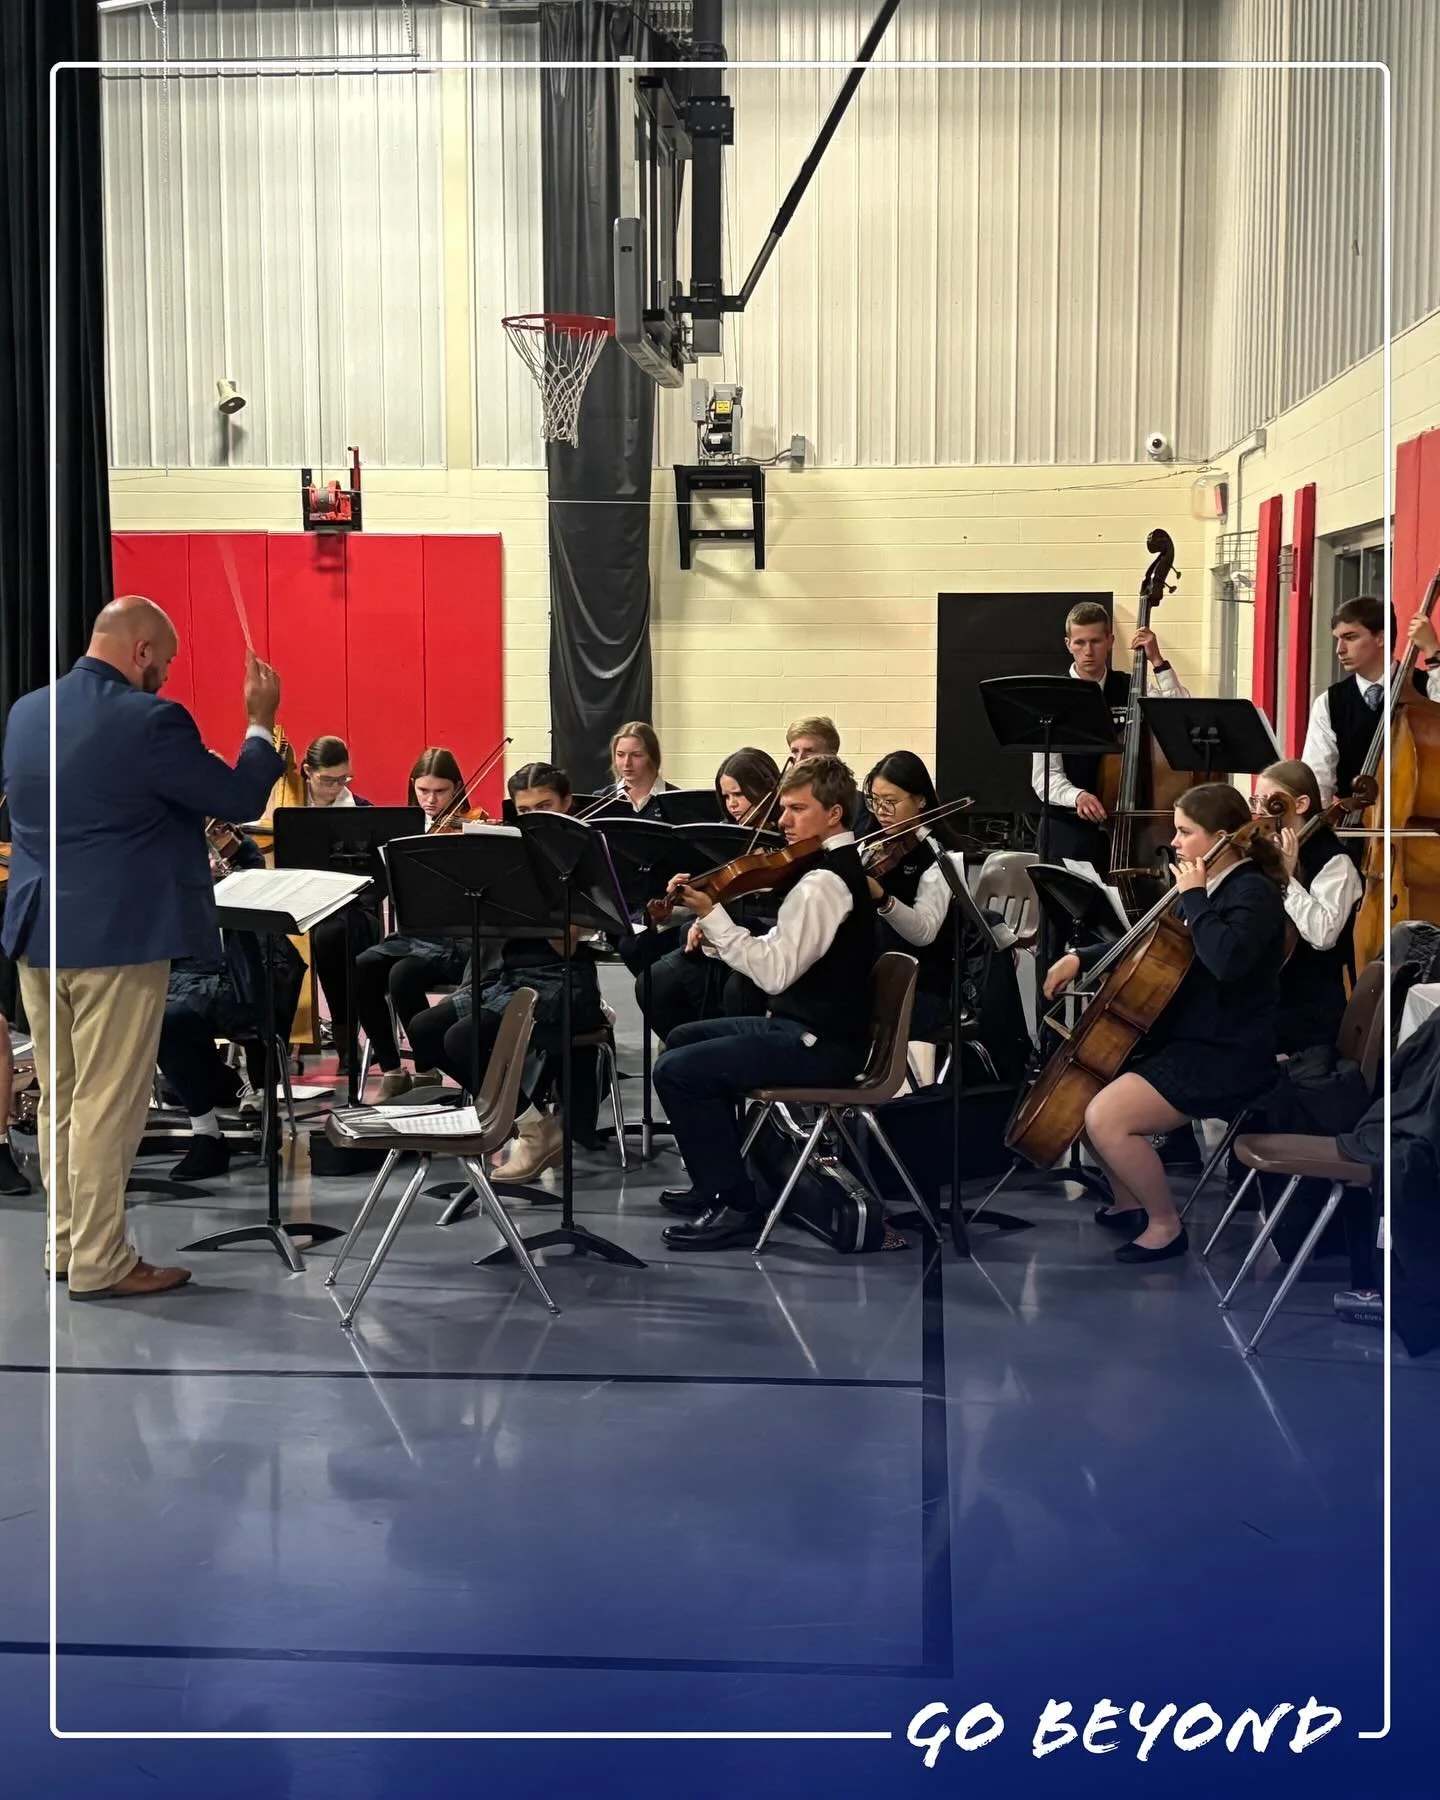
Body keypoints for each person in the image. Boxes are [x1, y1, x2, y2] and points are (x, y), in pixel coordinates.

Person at [0, 595, 284, 1298]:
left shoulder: (26, 712)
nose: (165, 676)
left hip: (40, 934)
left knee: (62, 1098)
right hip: (119, 935)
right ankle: (102, 1262)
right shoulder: (153, 720)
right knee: (108, 1103)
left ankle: (65, 1246)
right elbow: (240, 795)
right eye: (167, 661)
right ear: (142, 652)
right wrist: (260, 720)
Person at [1041, 783, 1288, 1265]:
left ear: (1222, 838)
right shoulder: (1203, 887)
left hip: (1229, 1051)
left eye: (1184, 832)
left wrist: (1194, 897)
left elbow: (1226, 961)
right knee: (1085, 1092)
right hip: (1188, 1039)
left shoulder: (1251, 892)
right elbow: (1149, 944)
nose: (1174, 843)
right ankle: (1130, 1200)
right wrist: (1082, 957)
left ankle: (1165, 1224)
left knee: (1107, 1117)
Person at [652, 755, 877, 1252]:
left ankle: (736, 1202)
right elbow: (780, 944)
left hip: (820, 1043)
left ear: (834, 814)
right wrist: (713, 932)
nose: (782, 821)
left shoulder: (824, 883)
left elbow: (776, 971)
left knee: (677, 1072)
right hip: (806, 1026)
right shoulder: (821, 871)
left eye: (797, 809)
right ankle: (715, 1180)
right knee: (684, 1040)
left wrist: (714, 915)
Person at [405, 763, 602, 1181]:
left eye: (546, 806)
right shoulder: (508, 851)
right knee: (424, 1029)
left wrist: (541, 882)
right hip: (508, 976)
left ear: (567, 804)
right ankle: (529, 1119)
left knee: (462, 1038)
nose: (535, 818)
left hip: (560, 980)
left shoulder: (580, 854)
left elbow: (564, 944)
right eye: (525, 809)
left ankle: (531, 1130)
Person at [155, 827, 303, 1181]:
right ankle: (208, 1122)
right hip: (178, 969)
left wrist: (228, 866)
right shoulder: (155, 847)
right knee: (153, 1017)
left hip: (237, 976)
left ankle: (209, 1121)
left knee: (166, 1019)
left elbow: (255, 873)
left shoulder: (232, 847)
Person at [1031, 600, 1190, 874]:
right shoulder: (1052, 696)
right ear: (1068, 644)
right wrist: (1077, 796)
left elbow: (1178, 715)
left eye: (1095, 641)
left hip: (1130, 829)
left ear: (1110, 641)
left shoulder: (1132, 687)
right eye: (1080, 643)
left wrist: (1157, 661)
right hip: (1069, 827)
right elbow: (1044, 776)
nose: (1088, 651)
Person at [634, 747, 780, 1044]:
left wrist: (707, 923)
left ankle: (722, 1064)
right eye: (726, 797)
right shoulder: (723, 838)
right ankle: (690, 1052)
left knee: (737, 989)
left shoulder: (784, 840)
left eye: (738, 794)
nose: (732, 805)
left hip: (760, 943)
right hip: (717, 938)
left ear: (765, 790)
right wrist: (676, 903)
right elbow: (713, 898)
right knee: (653, 983)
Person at [354, 747, 469, 1100]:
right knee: (364, 964)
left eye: (440, 791)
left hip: (457, 939)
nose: (431, 801)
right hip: (412, 934)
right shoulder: (402, 829)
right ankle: (391, 1069)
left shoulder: (471, 827)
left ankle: (426, 1070)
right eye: (423, 791)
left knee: (402, 975)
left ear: (457, 788)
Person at [1252, 759, 1364, 1054]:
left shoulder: (1335, 862)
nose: (1260, 811)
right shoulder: (1267, 851)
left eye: (1270, 801)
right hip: (1269, 1004)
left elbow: (1323, 935)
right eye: (1257, 801)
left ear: (1301, 803)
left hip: (1308, 1018)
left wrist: (1286, 880)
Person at [862, 751, 969, 1039]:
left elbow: (924, 932)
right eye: (875, 800)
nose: (881, 811)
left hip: (918, 986)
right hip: (870, 975)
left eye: (891, 802)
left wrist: (884, 900)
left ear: (921, 800)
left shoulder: (938, 855)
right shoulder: (870, 844)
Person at [1300, 597, 1440, 805]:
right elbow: (1318, 781)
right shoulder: (1329, 703)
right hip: (1354, 829)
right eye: (1337, 639)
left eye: (1350, 637)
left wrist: (1432, 651)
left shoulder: (1426, 686)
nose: (1339, 649)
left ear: (1381, 638)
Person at [293, 734, 378, 1065]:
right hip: (295, 903)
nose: (336, 787)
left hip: (348, 908)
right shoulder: (284, 810)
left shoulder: (362, 812)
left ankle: (346, 1038)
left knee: (332, 937)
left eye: (343, 779)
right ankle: (277, 1041)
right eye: (328, 780)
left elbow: (375, 882)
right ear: (307, 772)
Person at [786, 716, 872, 832]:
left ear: (832, 755)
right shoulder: (785, 800)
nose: (799, 759)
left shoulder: (859, 805)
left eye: (809, 751)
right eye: (795, 751)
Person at [606, 722, 670, 818]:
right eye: (620, 755)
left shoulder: (677, 800)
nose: (627, 763)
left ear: (652, 757)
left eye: (636, 755)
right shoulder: (601, 799)